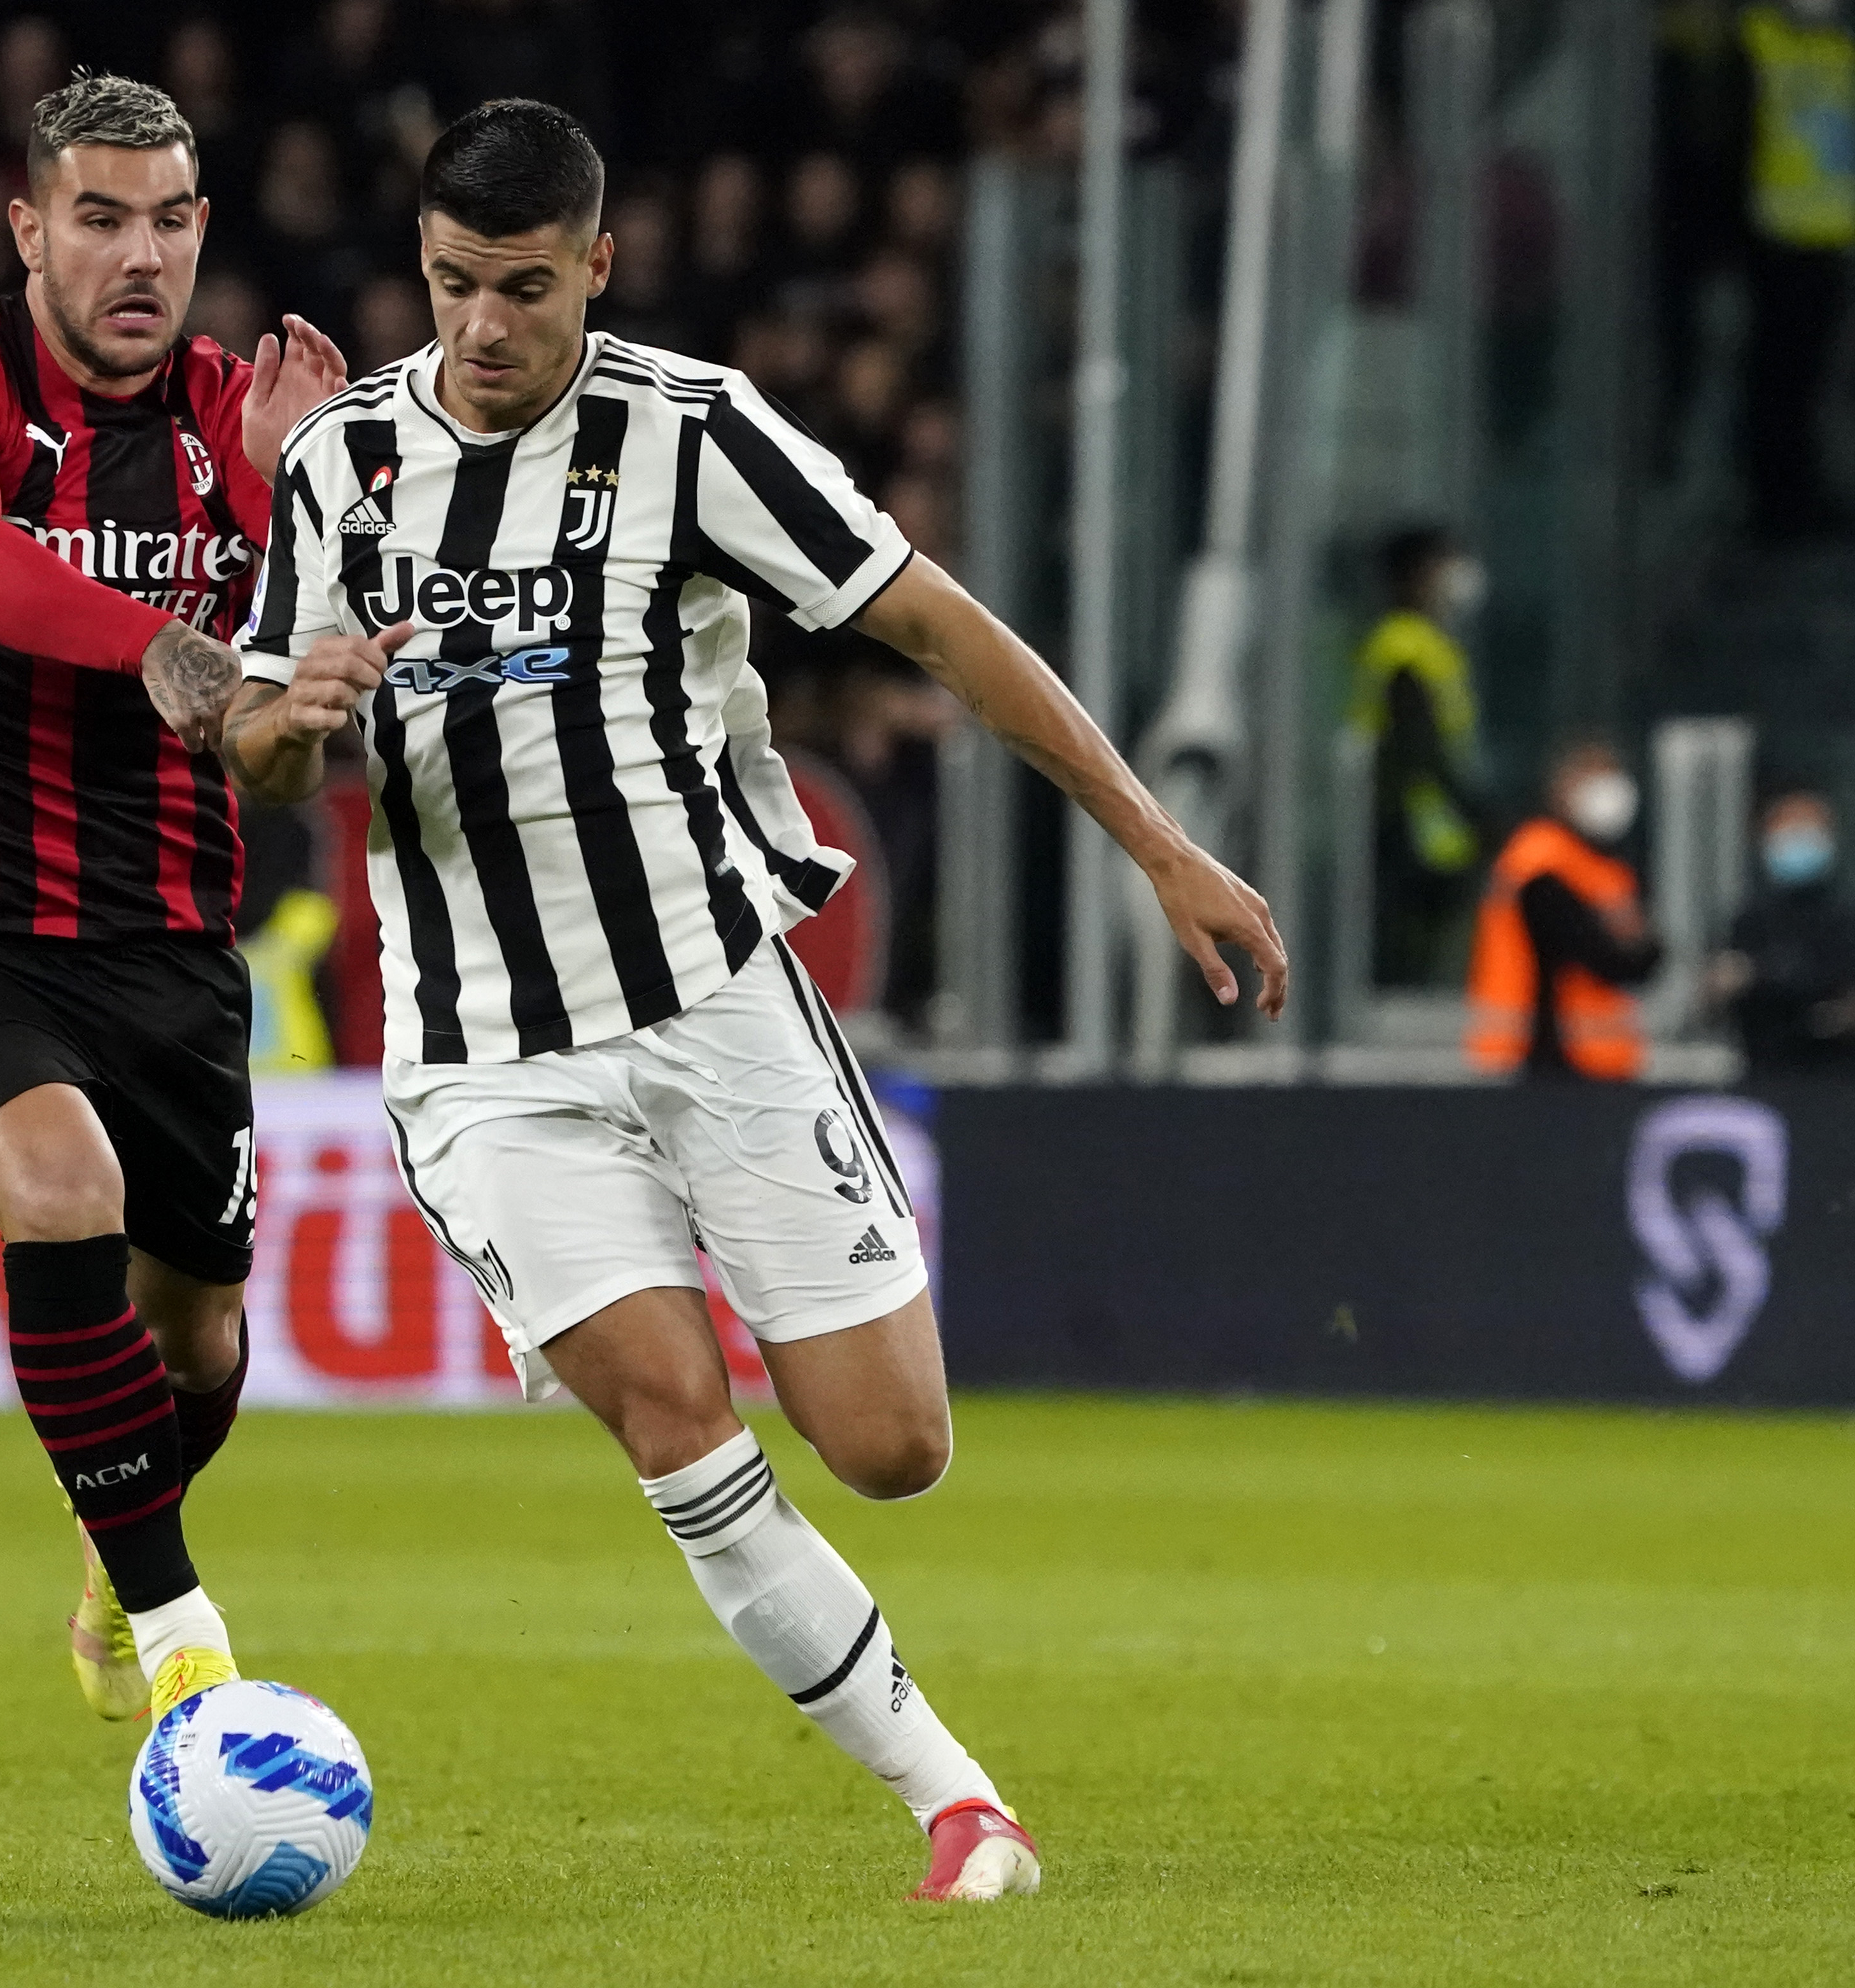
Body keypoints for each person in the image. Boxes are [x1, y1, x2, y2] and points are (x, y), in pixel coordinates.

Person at [226, 100, 1286, 1904]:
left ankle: (934, 1751)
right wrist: (291, 719)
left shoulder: (692, 431)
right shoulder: (335, 466)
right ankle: (956, 1803)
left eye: (523, 288)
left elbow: (935, 625)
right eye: (453, 283)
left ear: (597, 266)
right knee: (669, 1413)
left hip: (712, 995)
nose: (482, 326)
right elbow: (255, 748)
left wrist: (1157, 845)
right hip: (482, 1051)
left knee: (888, 1447)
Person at [0, 74, 347, 1724]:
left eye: (168, 221)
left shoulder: (242, 419)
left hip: (165, 935)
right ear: (28, 228)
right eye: (100, 218)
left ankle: (116, 1550)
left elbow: (287, 727)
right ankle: (187, 1640)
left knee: (196, 1343)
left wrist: (309, 504)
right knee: (60, 1187)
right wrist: (158, 642)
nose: (138, 255)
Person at [1466, 739, 1662, 1080]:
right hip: (1541, 1055)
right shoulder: (1541, 864)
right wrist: (1634, 945)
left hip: (1594, 1058)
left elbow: (1642, 959)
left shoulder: (1604, 866)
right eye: (1592, 778)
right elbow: (1598, 953)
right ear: (1562, 788)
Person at [1350, 526, 1488, 984]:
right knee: (1419, 970)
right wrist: (1476, 814)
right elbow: (1419, 747)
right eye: (1440, 565)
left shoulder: (1426, 644)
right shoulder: (1405, 649)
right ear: (1412, 576)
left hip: (1426, 837)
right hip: (1419, 840)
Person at [1737, 0, 1855, 538]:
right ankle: (1779, 500)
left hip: (1824, 234)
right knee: (1781, 381)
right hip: (1779, 237)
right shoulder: (1758, 35)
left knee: (1804, 381)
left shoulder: (1836, 41)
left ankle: (1793, 493)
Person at [1711, 788, 1855, 1069]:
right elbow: (1723, 993)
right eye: (1788, 830)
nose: (1797, 840)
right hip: (1764, 1066)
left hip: (1838, 1070)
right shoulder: (1748, 919)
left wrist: (1758, 975)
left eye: (1807, 830)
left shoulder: (1844, 917)